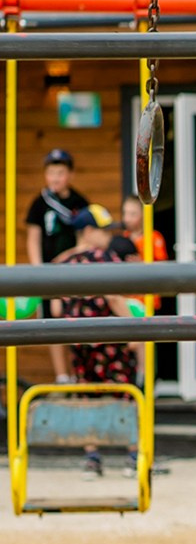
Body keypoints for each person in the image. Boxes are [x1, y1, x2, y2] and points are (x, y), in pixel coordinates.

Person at [51, 205, 140, 479]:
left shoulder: (63, 264)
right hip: (111, 342)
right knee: (125, 395)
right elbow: (114, 298)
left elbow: (56, 310)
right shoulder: (106, 258)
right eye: (104, 231)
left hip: (80, 343)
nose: (109, 237)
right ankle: (134, 455)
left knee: (87, 395)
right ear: (88, 232)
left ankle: (92, 458)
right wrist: (135, 328)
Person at [24, 147, 90, 384]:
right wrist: (38, 271)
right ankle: (62, 376)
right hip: (47, 275)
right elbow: (33, 238)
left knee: (74, 320)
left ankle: (79, 374)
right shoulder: (39, 203)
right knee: (50, 322)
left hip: (72, 274)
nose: (55, 178)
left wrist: (71, 260)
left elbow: (86, 240)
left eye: (60, 173)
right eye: (51, 173)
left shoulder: (79, 203)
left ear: (70, 175)